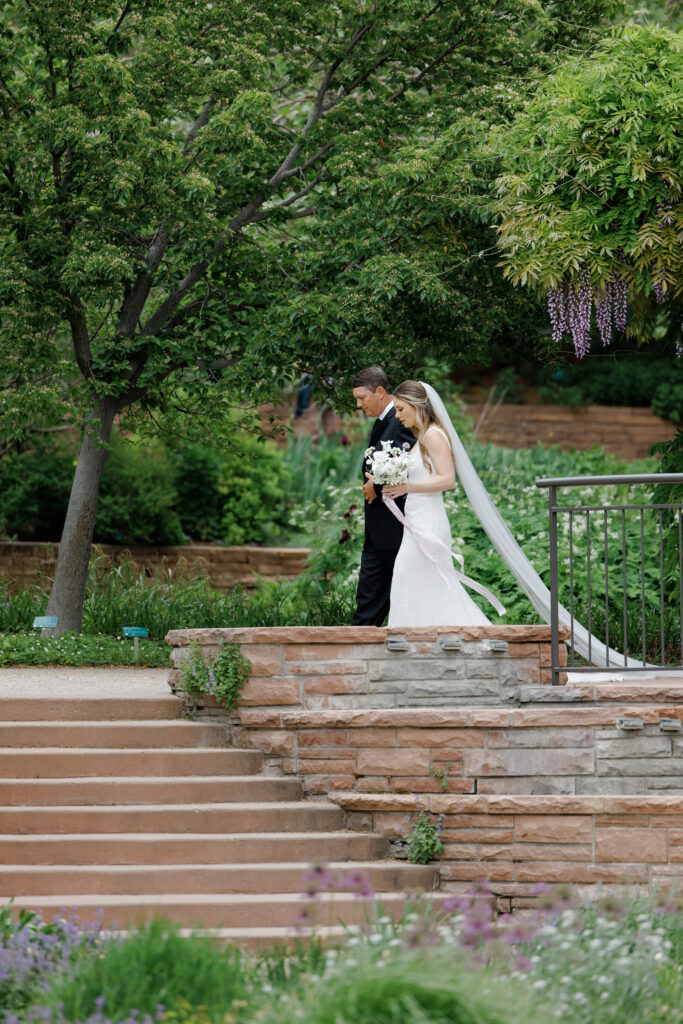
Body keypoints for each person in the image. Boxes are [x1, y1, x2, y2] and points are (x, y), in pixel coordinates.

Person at [382, 381, 504, 626]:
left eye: (401, 409)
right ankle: (424, 640)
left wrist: (407, 487)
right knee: (424, 584)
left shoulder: (433, 435)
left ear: (417, 406)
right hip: (416, 520)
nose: (397, 416)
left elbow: (447, 480)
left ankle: (415, 638)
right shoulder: (423, 435)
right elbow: (423, 474)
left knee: (408, 576)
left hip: (428, 521)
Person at [352, 366, 416, 626]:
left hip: (393, 528)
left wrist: (375, 486)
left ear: (379, 392)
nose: (359, 405)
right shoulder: (383, 422)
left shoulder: (400, 422)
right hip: (380, 529)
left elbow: (409, 466)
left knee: (375, 597)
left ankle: (358, 646)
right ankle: (359, 642)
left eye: (361, 398)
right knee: (370, 599)